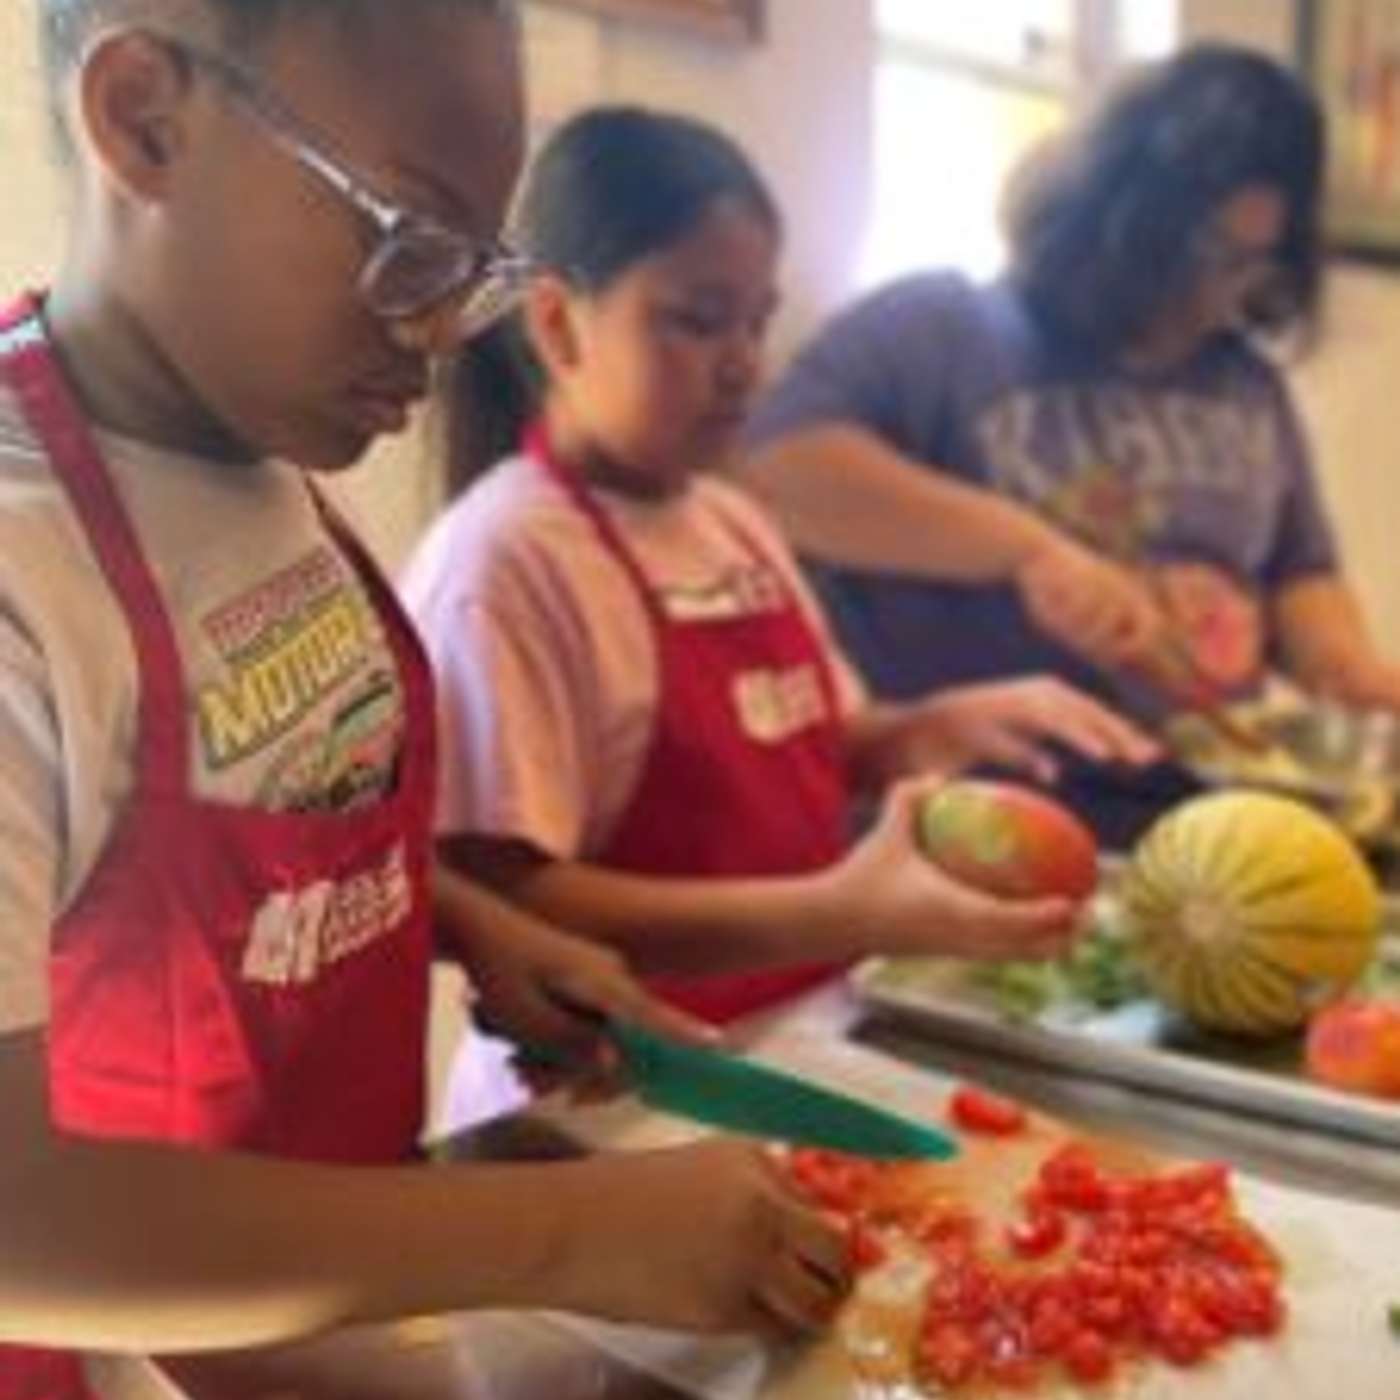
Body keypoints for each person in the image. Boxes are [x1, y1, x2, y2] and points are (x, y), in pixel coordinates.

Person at [0, 4, 859, 1396]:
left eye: (475, 265)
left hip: (334, 1336)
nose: (448, 329)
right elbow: (15, 1222)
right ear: (146, 119)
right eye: (404, 238)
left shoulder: (244, 450)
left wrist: (471, 922)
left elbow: (233, 814)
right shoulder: (21, 567)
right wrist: (565, 1232)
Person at [402, 105, 1157, 1099]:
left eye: (757, 319)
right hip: (613, 1090)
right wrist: (840, 910)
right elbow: (503, 897)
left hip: (790, 1047)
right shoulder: (504, 561)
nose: (744, 361)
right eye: (696, 318)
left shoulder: (731, 520)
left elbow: (818, 744)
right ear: (555, 322)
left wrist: (936, 723)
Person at [741, 44, 1400, 846]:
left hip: (1200, 830)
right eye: (1192, 253)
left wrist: (1358, 685)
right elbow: (775, 471)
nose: (1212, 291)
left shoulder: (1248, 385)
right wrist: (1029, 551)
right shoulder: (944, 329)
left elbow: (1306, 589)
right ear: (1109, 220)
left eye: (1245, 261)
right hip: (982, 823)